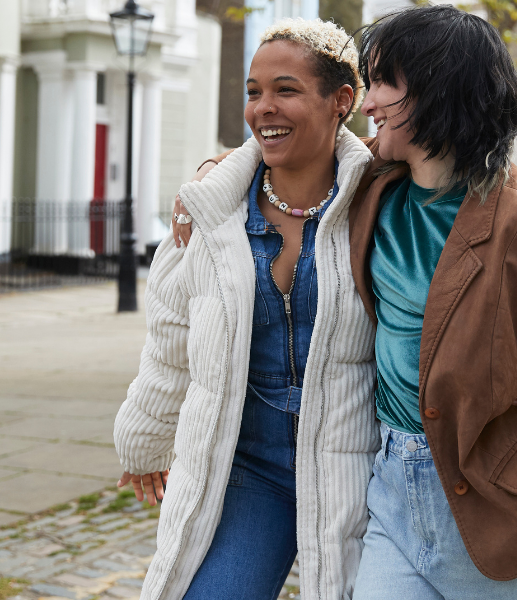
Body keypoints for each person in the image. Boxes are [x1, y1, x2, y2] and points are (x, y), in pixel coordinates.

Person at [173, 6, 517, 599]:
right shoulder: (371, 185)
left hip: (503, 521)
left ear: (437, 93)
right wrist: (218, 171)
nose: (367, 104)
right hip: (390, 496)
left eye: (383, 85)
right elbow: (297, 149)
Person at [113, 19, 380, 600]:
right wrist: (143, 440)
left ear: (342, 101)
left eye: (285, 89)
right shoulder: (212, 214)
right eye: (254, 92)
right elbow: (171, 338)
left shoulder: (382, 202)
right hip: (246, 466)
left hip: (357, 467)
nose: (263, 108)